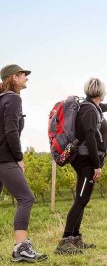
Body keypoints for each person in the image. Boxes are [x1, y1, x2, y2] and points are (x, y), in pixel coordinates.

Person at [55, 78, 107, 255]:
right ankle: (65, 242)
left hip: (85, 160)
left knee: (82, 200)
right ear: (101, 92)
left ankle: (75, 239)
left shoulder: (92, 107)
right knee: (81, 200)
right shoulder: (90, 111)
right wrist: (96, 166)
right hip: (86, 162)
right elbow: (91, 139)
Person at [0, 64, 47, 262]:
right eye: (23, 75)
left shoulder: (2, 100)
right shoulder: (13, 99)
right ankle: (20, 248)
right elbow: (11, 132)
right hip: (6, 158)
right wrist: (19, 158)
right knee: (26, 198)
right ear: (13, 78)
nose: (26, 78)